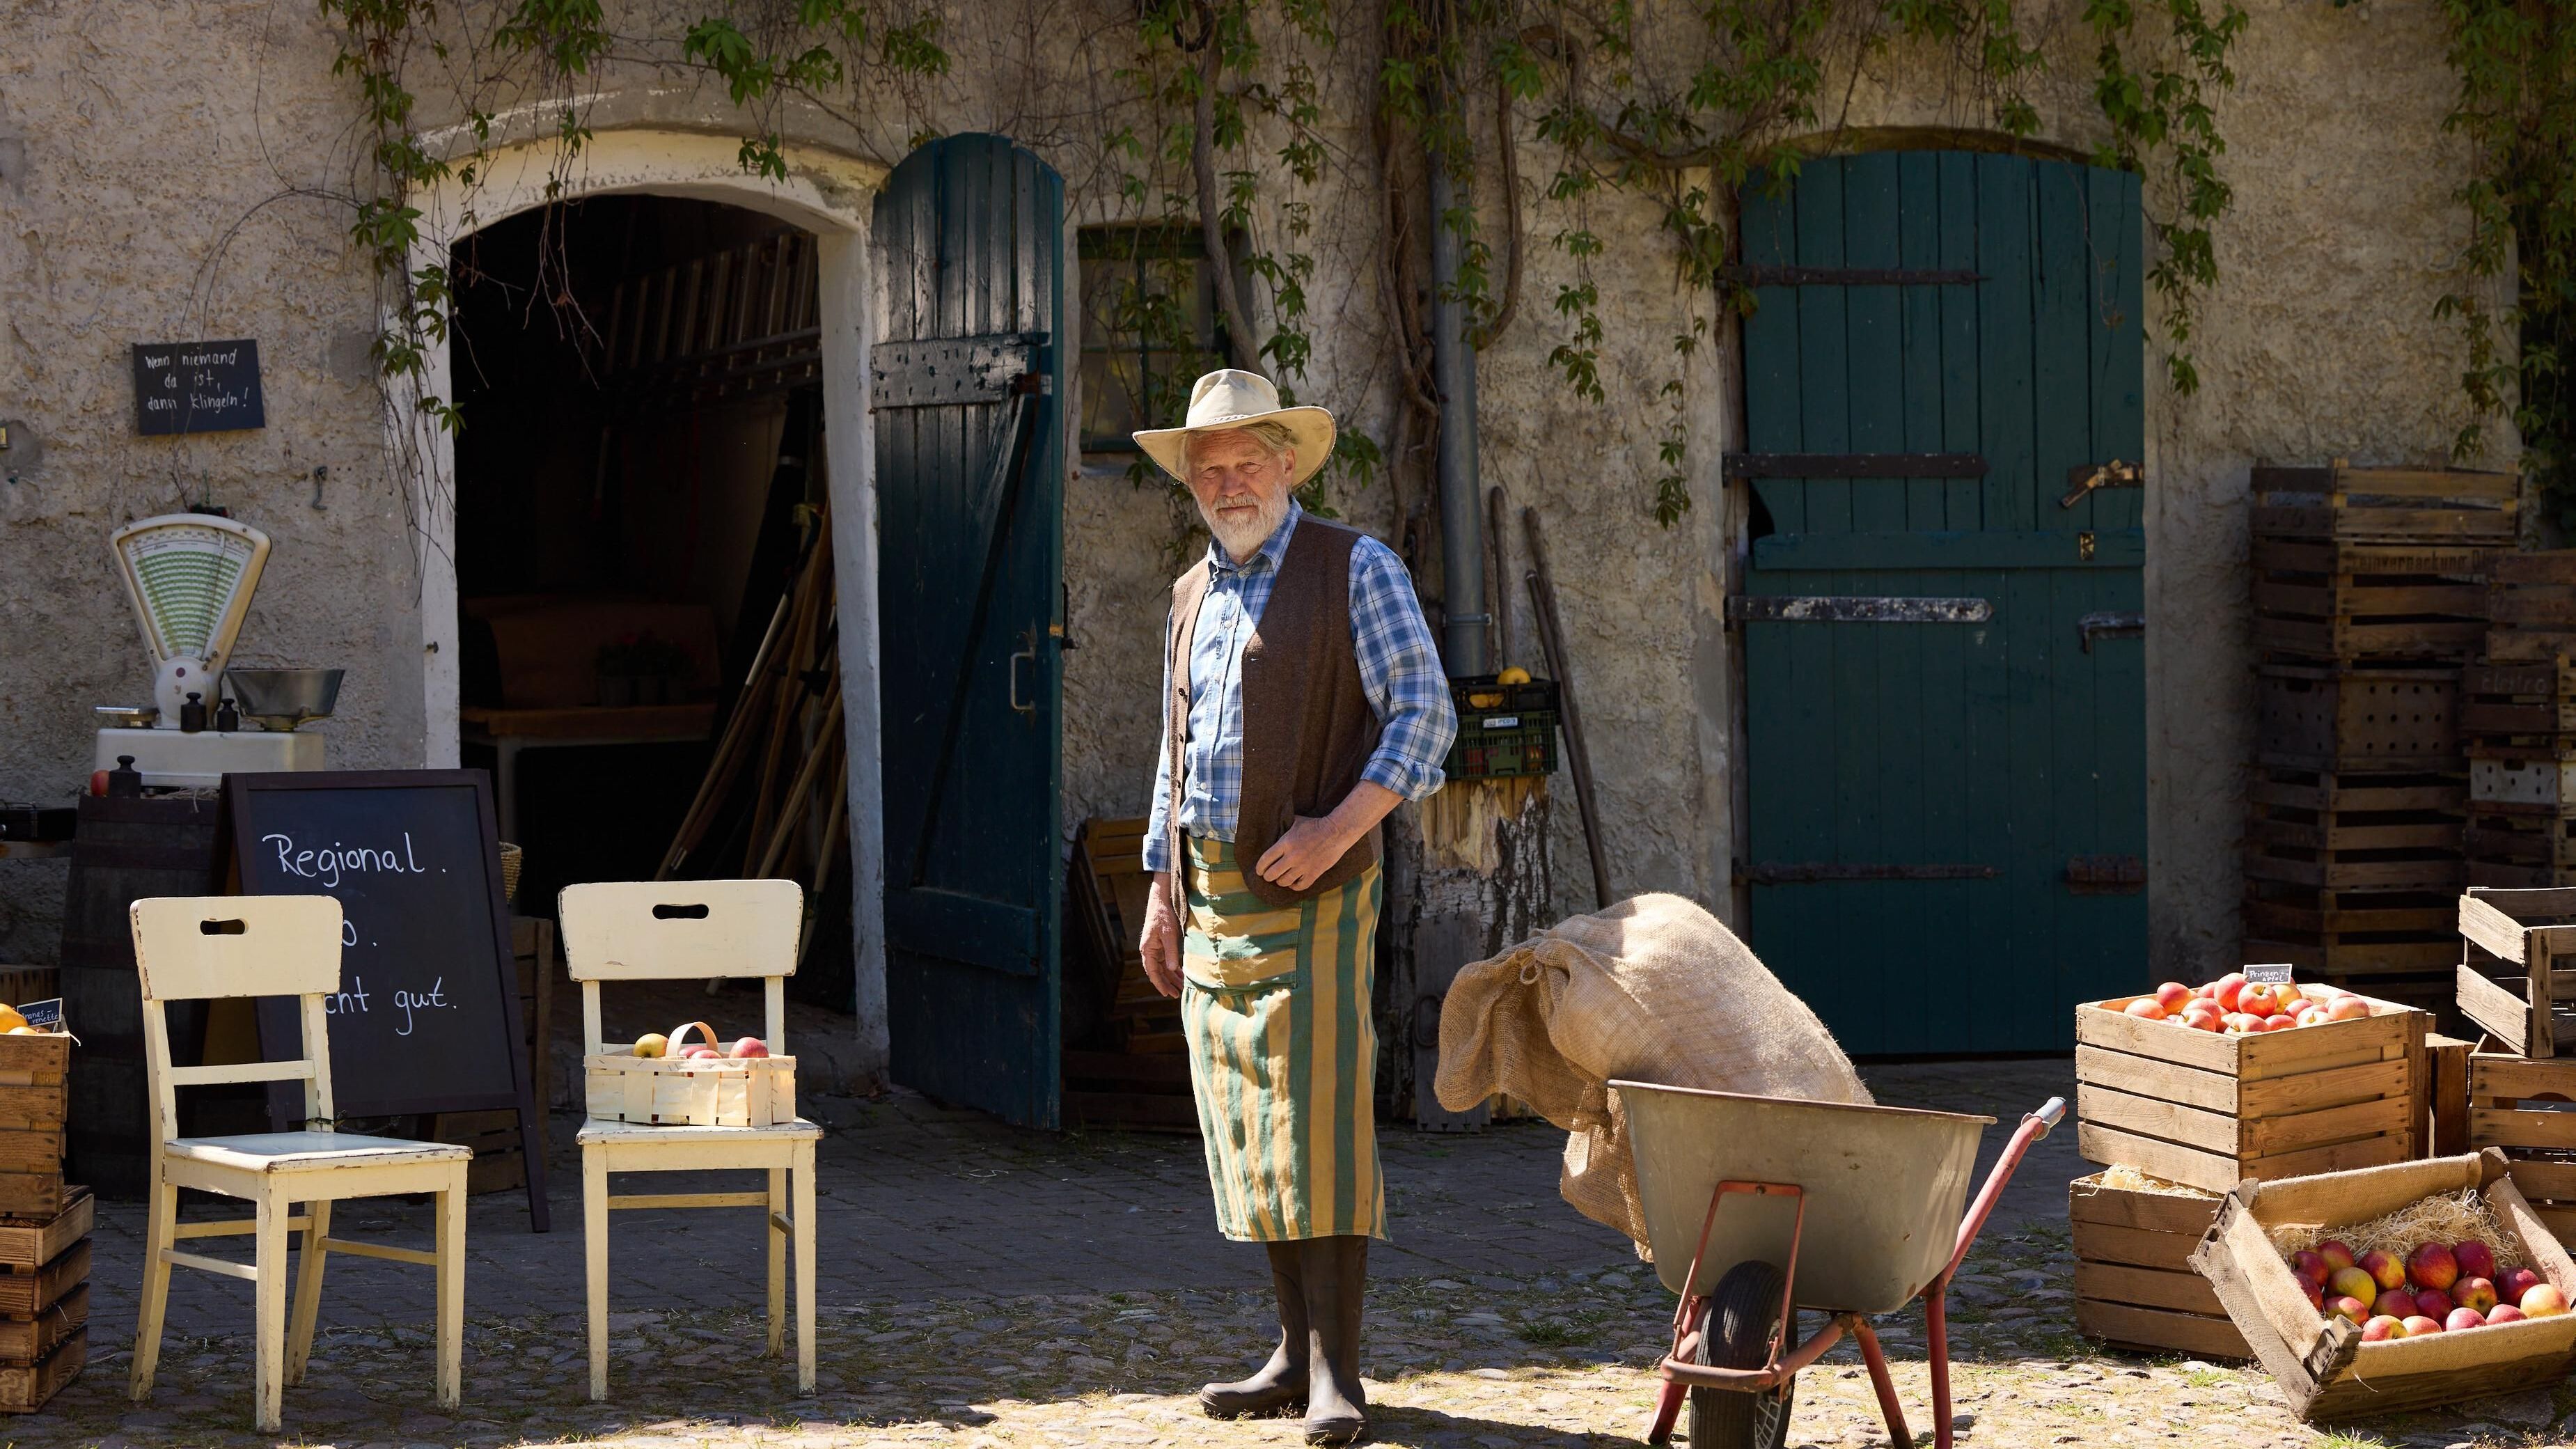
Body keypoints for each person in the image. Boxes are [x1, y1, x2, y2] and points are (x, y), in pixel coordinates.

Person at [1133, 369, 1457, 1446]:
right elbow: (1175, 755)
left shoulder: (1355, 566)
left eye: (1247, 462)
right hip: (1212, 898)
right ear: (1193, 481)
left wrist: (1337, 828)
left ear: (1286, 464)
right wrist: (1161, 890)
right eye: (1210, 468)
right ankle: (1287, 1352)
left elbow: (1426, 715)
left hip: (1319, 890)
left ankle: (1337, 1373)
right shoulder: (1191, 592)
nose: (1230, 483)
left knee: (1316, 1123)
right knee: (1248, 1124)